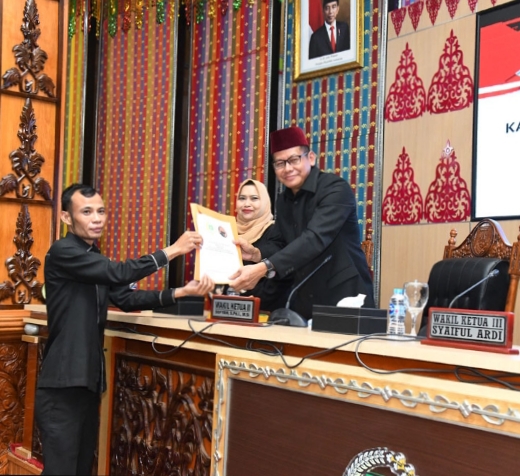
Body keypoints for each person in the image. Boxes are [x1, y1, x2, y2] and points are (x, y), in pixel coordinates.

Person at [35, 183, 214, 475]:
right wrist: (172, 250)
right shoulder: (63, 251)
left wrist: (180, 293)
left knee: (81, 468)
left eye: (101, 211)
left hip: (88, 380)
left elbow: (126, 299)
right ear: (66, 217)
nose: (97, 219)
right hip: (63, 383)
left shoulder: (93, 256)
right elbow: (118, 272)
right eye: (87, 212)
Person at [229, 126, 374, 321]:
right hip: (304, 300)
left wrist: (264, 268)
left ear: (311, 158)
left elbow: (314, 239)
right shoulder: (283, 201)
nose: (287, 168)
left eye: (294, 159)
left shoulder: (335, 189)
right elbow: (283, 244)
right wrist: (257, 254)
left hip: (344, 298)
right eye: (280, 163)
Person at [233, 179, 290, 311]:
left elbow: (279, 258)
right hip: (229, 307)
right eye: (242, 198)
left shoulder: (276, 230)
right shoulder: (228, 231)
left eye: (254, 198)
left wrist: (256, 254)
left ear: (264, 202)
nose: (247, 204)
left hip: (266, 310)